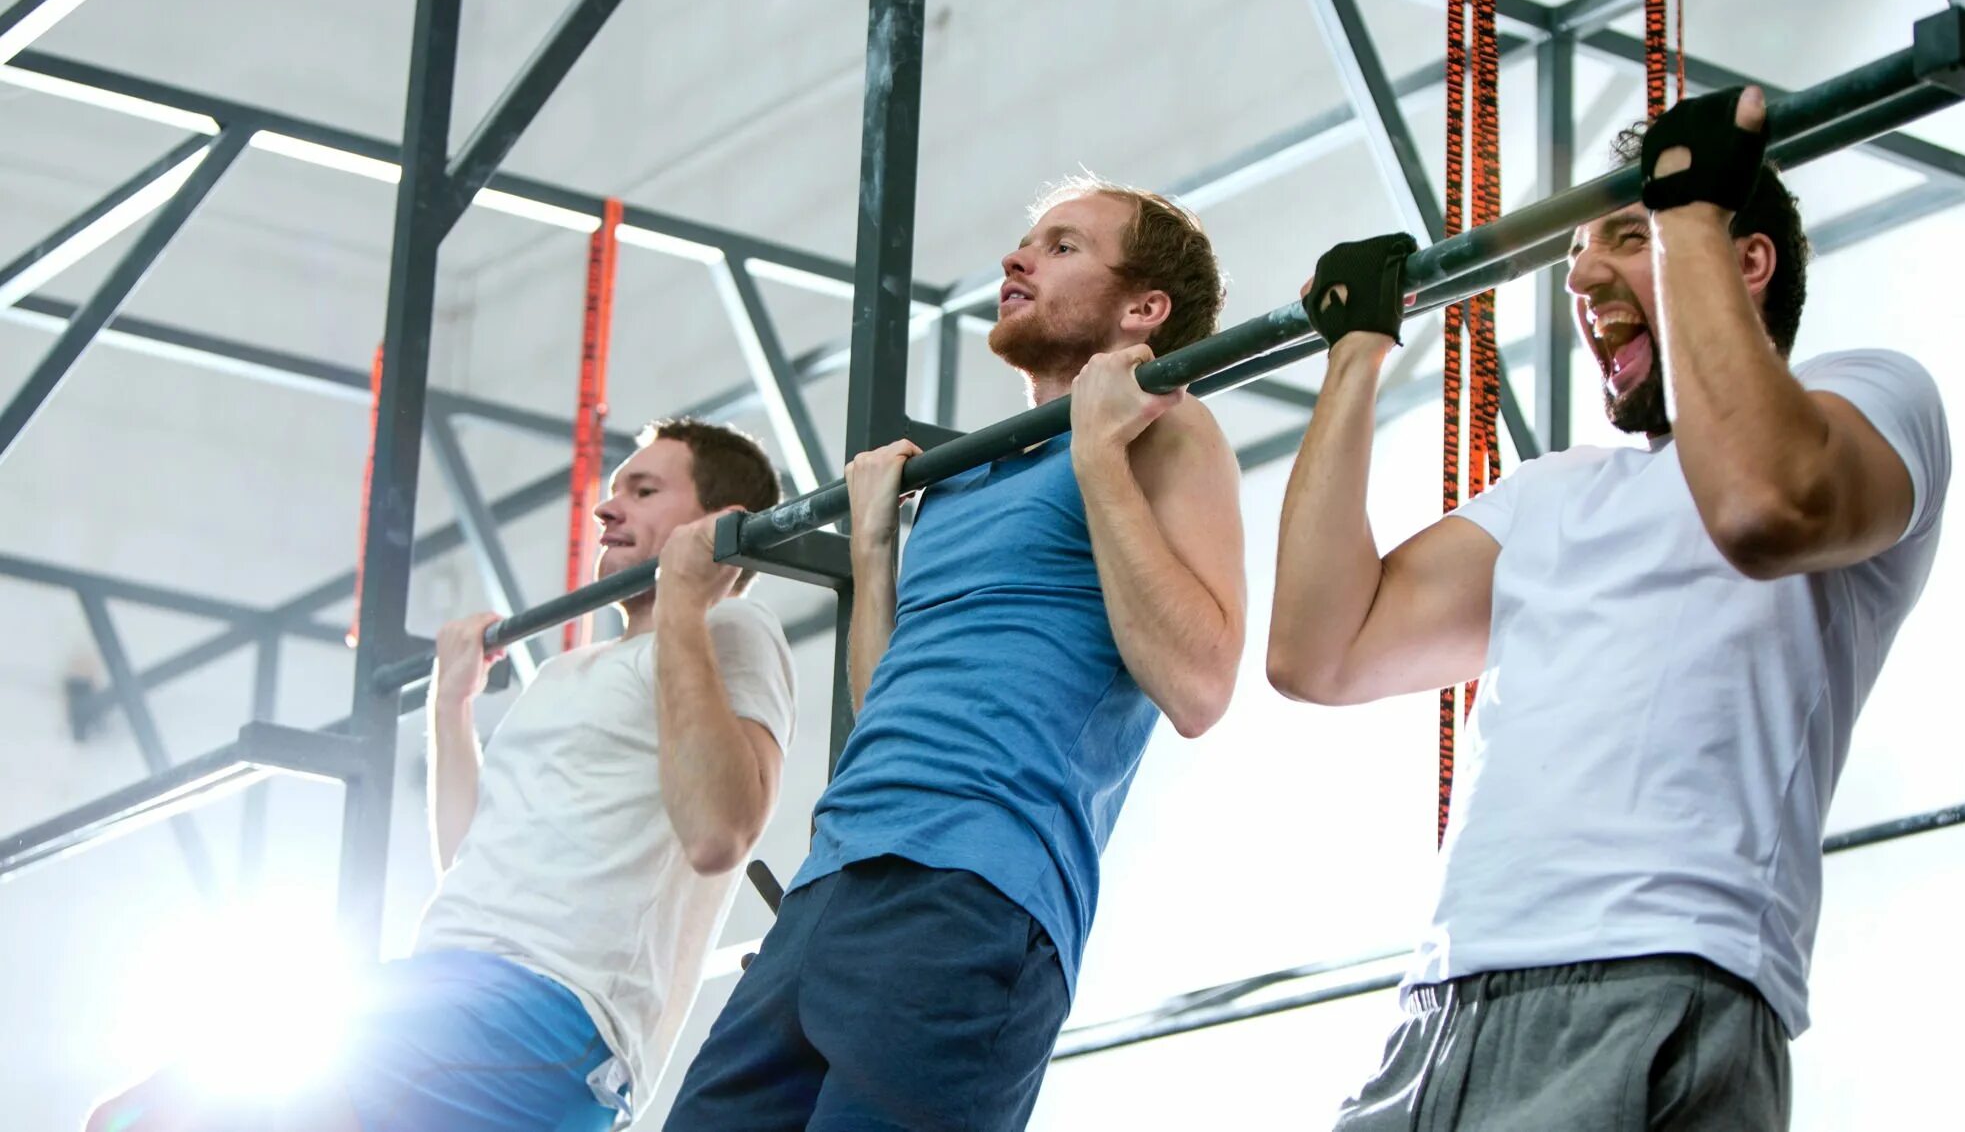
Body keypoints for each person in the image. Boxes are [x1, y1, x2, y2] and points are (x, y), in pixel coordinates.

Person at [1269, 88, 1951, 1129]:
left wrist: (1689, 216)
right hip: (1439, 1012)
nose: (1581, 276)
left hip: (1653, 983)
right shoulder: (1553, 494)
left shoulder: (1866, 397)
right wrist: (1353, 358)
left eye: (1623, 237)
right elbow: (1317, 650)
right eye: (1581, 254)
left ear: (1745, 259)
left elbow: (1767, 508)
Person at [664, 178, 1248, 1130]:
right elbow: (883, 703)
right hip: (830, 881)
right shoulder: (964, 477)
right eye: (1025, 241)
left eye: (1062, 247)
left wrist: (1099, 455)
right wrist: (872, 548)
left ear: (1143, 308)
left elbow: (1199, 684)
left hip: (976, 891)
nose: (1017, 260)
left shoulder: (1166, 426)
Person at [87, 417, 798, 1132]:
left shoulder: (733, 631)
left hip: (556, 1012)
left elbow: (719, 831)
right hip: (446, 985)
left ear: (720, 521)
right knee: (120, 1117)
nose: (607, 509)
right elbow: (472, 864)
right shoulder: (563, 670)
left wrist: (685, 593)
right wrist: (450, 707)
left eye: (644, 491)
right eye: (614, 491)